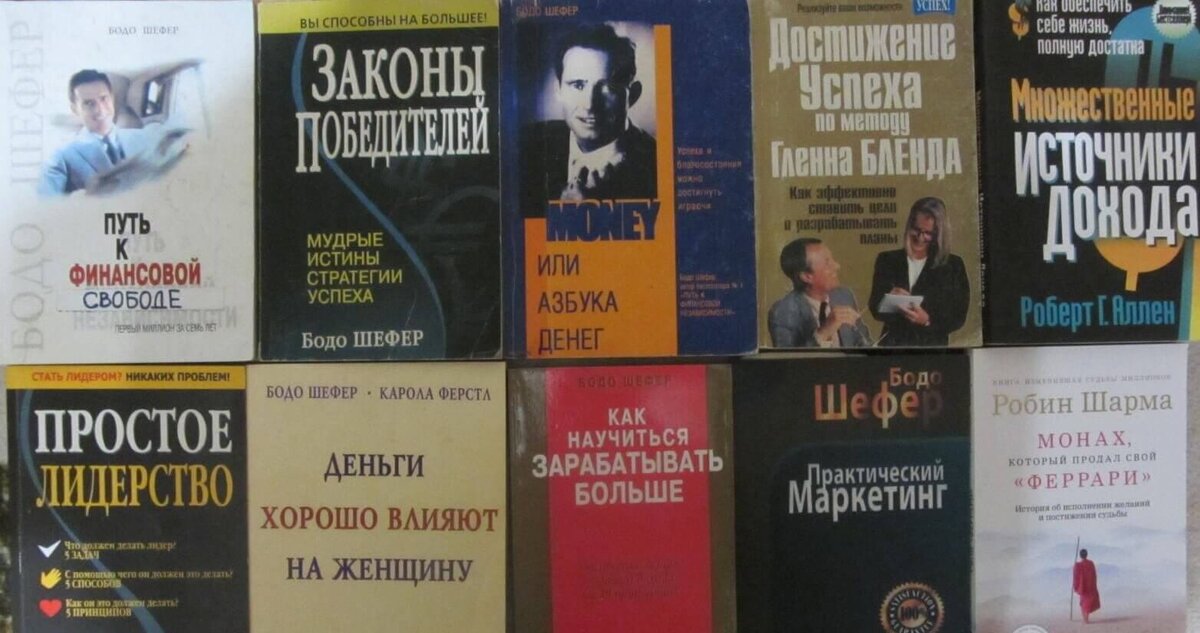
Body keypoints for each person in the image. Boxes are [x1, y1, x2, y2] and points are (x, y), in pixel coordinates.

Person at [519, 23, 656, 215]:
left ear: (633, 95)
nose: (590, 104)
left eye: (606, 87)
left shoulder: (658, 166)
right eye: (578, 85)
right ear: (558, 90)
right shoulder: (526, 143)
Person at [868, 197, 970, 346]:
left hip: (932, 349)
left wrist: (927, 320)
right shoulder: (887, 260)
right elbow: (875, 309)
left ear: (939, 234)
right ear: (909, 225)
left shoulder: (953, 266)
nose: (920, 238)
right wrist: (887, 299)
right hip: (893, 347)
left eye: (928, 233)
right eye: (916, 229)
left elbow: (958, 317)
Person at [39, 69, 151, 196]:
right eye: (88, 103)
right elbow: (47, 203)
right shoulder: (61, 157)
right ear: (75, 109)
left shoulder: (143, 139)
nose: (100, 110)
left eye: (104, 99)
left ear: (112, 98)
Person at [768, 237, 872, 347]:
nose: (837, 266)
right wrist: (823, 333)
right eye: (827, 263)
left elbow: (864, 343)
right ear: (807, 277)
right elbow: (787, 357)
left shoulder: (844, 296)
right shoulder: (782, 312)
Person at [1073, 548, 1101, 623]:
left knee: (1084, 602)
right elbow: (1094, 575)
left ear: (1080, 555)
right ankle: (1086, 619)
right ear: (1086, 555)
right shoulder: (1090, 563)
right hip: (1090, 586)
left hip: (1083, 587)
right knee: (1085, 602)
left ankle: (1085, 619)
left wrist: (1075, 586)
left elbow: (1075, 576)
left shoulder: (1078, 565)